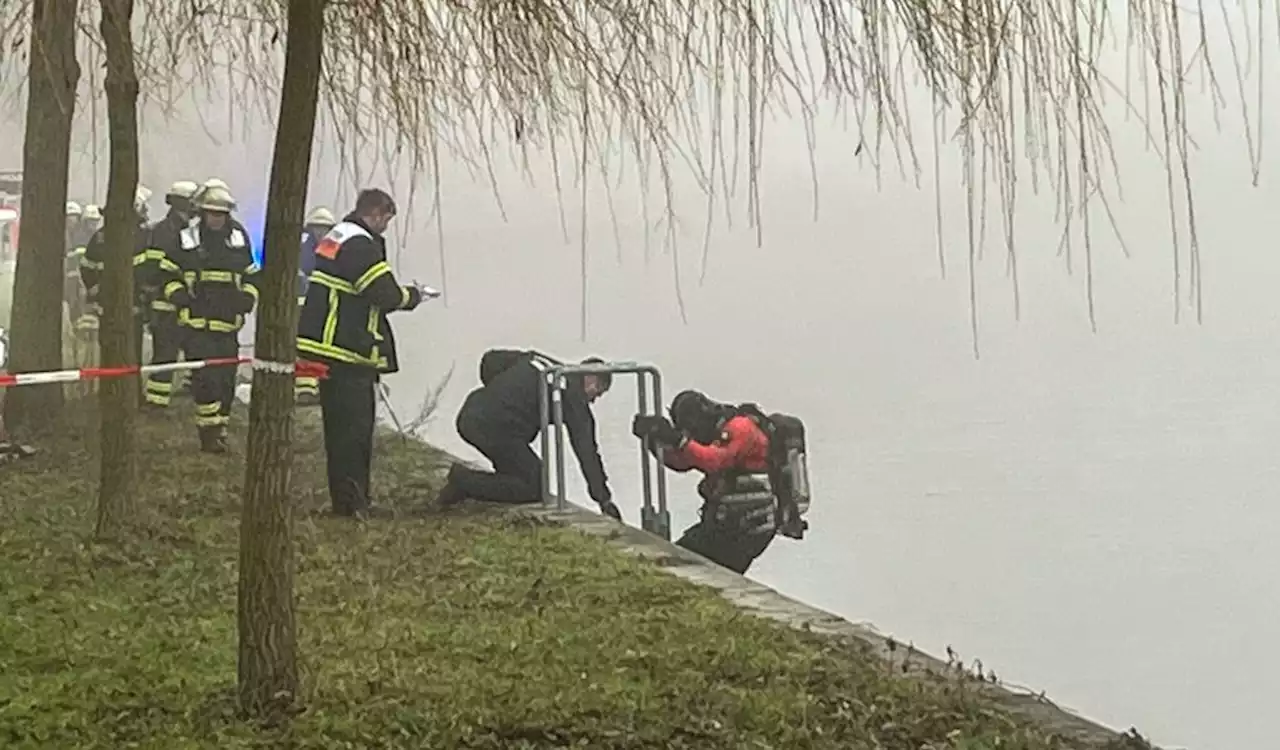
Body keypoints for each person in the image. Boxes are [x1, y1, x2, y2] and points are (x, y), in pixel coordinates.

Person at [297, 188, 430, 517]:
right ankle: (354, 504)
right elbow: (383, 293)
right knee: (354, 432)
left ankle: (347, 501)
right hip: (347, 349)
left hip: (329, 346)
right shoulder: (360, 244)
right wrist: (415, 296)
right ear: (377, 214)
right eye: (386, 220)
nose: (386, 228)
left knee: (339, 430)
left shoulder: (337, 235)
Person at [633, 389, 811, 574]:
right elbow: (684, 462)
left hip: (749, 524)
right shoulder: (716, 431)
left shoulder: (741, 428)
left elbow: (714, 460)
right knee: (688, 563)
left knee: (684, 565)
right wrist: (655, 440)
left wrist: (678, 439)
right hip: (729, 522)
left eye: (689, 430)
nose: (689, 435)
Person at [434, 349, 621, 519]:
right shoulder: (575, 399)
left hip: (473, 410)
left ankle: (467, 485)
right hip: (496, 428)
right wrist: (604, 499)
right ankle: (463, 481)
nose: (594, 400)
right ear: (590, 378)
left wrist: (499, 393)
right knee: (536, 485)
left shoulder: (540, 360)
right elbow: (587, 452)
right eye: (597, 391)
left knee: (518, 469)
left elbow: (490, 361)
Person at [158, 185, 258, 453]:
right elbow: (166, 274)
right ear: (202, 212)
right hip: (196, 325)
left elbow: (252, 275)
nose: (216, 218)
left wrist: (248, 297)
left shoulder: (238, 240)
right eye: (211, 213)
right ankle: (209, 434)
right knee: (206, 381)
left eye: (221, 214)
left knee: (226, 382)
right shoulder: (186, 239)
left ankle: (220, 428)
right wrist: (178, 295)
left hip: (227, 325)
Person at [136, 180, 198, 409]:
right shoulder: (164, 231)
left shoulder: (188, 231)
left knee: (192, 348)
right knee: (165, 353)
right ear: (183, 203)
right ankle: (156, 401)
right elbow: (155, 269)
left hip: (184, 302)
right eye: (193, 202)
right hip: (165, 305)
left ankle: (191, 391)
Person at [78, 187, 153, 350]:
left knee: (112, 348)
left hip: (113, 307)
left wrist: (96, 290)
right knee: (128, 351)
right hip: (126, 307)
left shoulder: (100, 236)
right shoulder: (143, 237)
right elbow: (87, 266)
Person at [294, 206, 335, 404]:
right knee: (303, 345)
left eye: (325, 229)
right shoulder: (302, 249)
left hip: (325, 306)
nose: (321, 233)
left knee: (323, 346)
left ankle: (318, 383)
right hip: (302, 304)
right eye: (317, 228)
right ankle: (305, 387)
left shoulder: (333, 250)